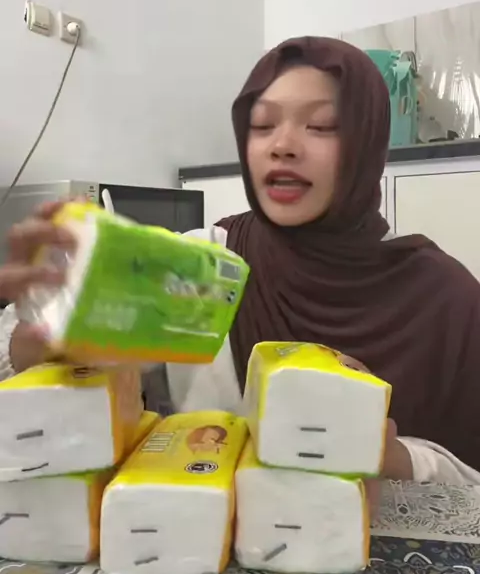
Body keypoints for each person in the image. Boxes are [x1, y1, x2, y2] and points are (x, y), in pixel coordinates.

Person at [1, 36, 480, 486]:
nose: (281, 145)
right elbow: (72, 403)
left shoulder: (448, 301)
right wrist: (49, 328)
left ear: (367, 143)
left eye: (321, 126)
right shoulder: (202, 263)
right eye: (262, 125)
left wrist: (387, 454)